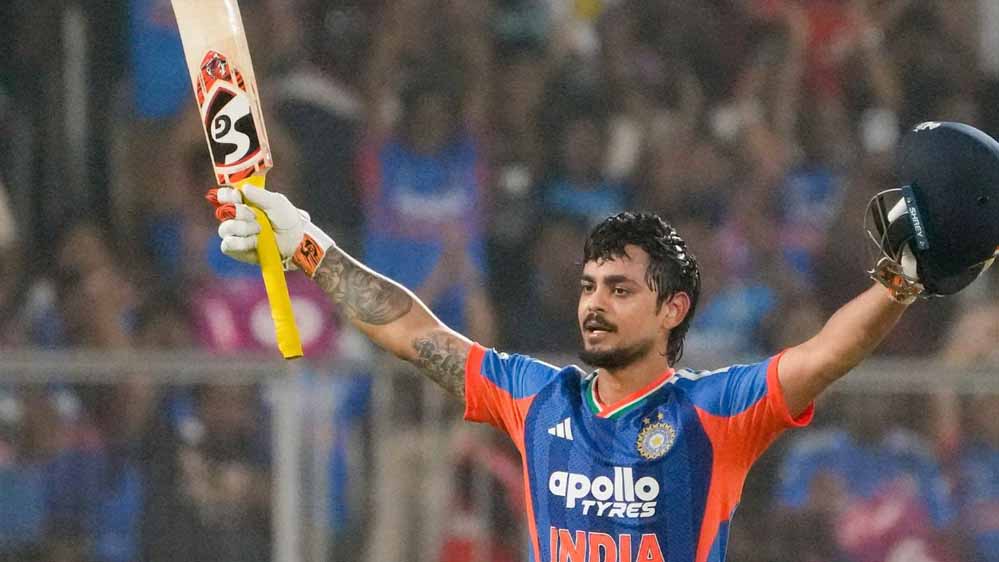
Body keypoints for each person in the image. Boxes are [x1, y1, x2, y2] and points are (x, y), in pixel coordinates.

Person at [205, 120, 998, 561]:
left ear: (672, 309)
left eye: (620, 290)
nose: (593, 303)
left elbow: (824, 355)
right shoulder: (535, 397)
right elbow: (415, 333)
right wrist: (307, 247)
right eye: (589, 286)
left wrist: (900, 281)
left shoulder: (713, 412)